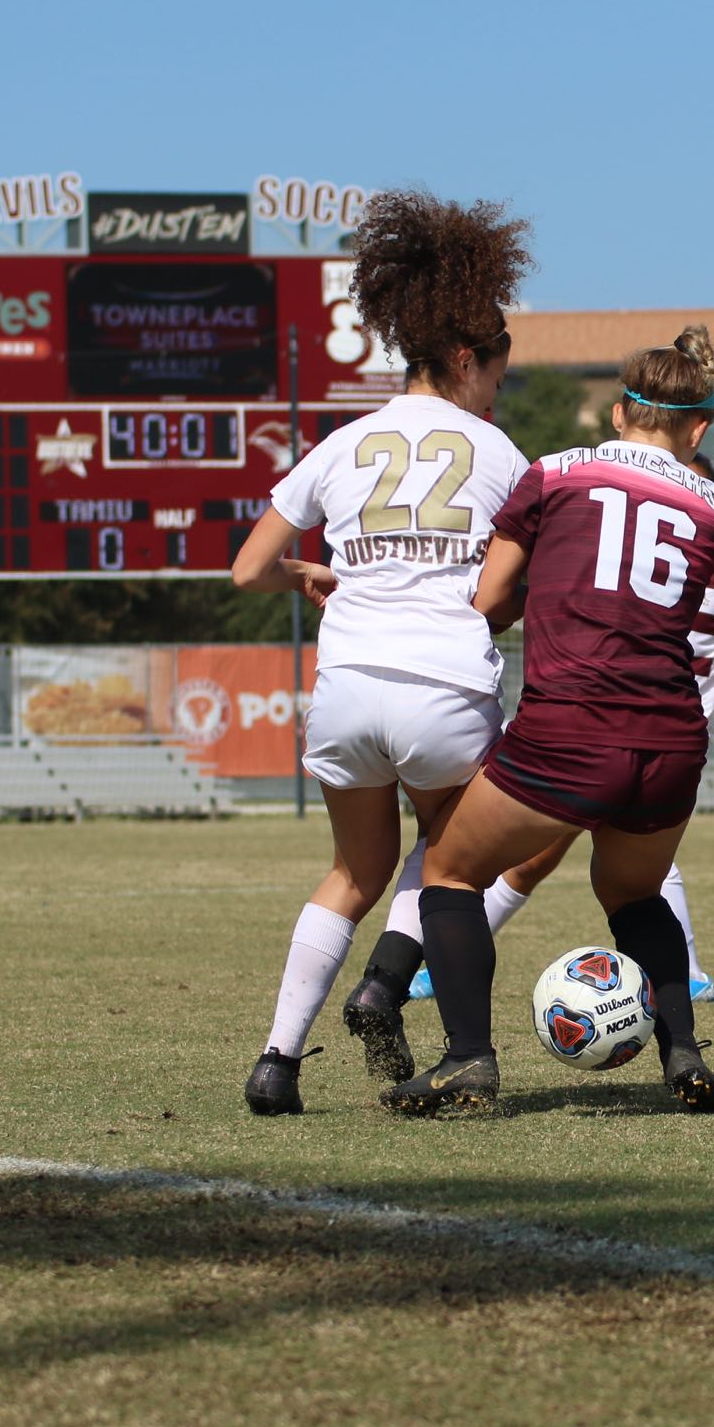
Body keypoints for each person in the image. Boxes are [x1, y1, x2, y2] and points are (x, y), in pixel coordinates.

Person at [385, 326, 714, 1117]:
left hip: (568, 730)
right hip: (669, 745)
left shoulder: (552, 475)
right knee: (633, 893)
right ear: (699, 429)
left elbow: (487, 602)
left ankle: (467, 1062)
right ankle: (684, 1056)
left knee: (449, 873)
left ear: (619, 412)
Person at [229, 189, 532, 1115]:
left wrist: (309, 579)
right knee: (457, 860)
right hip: (444, 683)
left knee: (355, 873)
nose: (497, 394)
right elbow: (507, 590)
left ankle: (278, 1062)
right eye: (497, 377)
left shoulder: (343, 443)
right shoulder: (499, 453)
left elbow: (248, 569)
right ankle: (408, 1009)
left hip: (347, 685)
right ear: (468, 360)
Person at [403, 452, 714, 1004]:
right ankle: (682, 1016)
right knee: (574, 870)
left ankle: (686, 973)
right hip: (647, 737)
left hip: (623, 730)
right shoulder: (649, 558)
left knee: (605, 873)